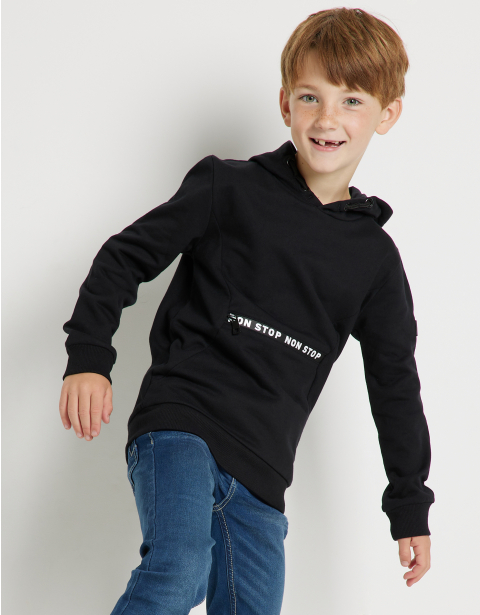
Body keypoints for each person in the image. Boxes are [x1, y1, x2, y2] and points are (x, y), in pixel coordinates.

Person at [59, 7, 435, 614]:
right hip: (182, 423)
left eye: (351, 101)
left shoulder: (374, 260)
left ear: (386, 114)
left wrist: (409, 503)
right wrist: (89, 358)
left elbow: (394, 382)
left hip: (263, 470)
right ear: (285, 104)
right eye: (310, 97)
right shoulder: (228, 189)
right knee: (178, 570)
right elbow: (124, 257)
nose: (327, 119)